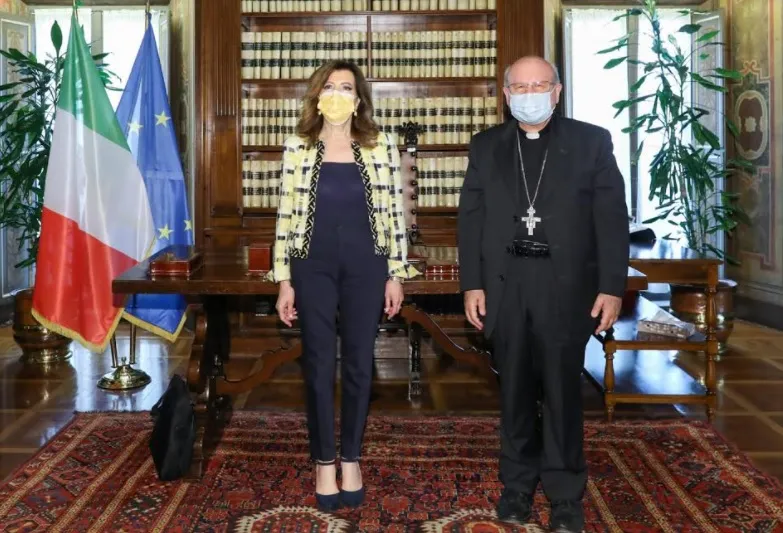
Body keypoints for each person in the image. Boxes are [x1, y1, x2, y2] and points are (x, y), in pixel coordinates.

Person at [457, 56, 630, 531]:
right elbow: (470, 220)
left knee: (561, 392)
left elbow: (612, 220)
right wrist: (471, 283)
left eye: (539, 85)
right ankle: (516, 485)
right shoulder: (486, 146)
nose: (529, 94)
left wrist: (611, 287)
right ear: (506, 95)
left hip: (565, 288)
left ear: (557, 92)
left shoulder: (592, 142)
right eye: (520, 87)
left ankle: (565, 493)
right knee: (513, 390)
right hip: (505, 285)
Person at [269, 60, 418, 512]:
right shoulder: (297, 146)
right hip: (310, 265)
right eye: (329, 86)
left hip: (367, 265)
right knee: (317, 365)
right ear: (317, 97)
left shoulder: (380, 144)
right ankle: (323, 462)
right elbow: (284, 215)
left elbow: (396, 213)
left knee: (358, 363)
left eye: (346, 87)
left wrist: (396, 273)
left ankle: (351, 457)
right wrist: (283, 281)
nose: (337, 94)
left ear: (358, 99)